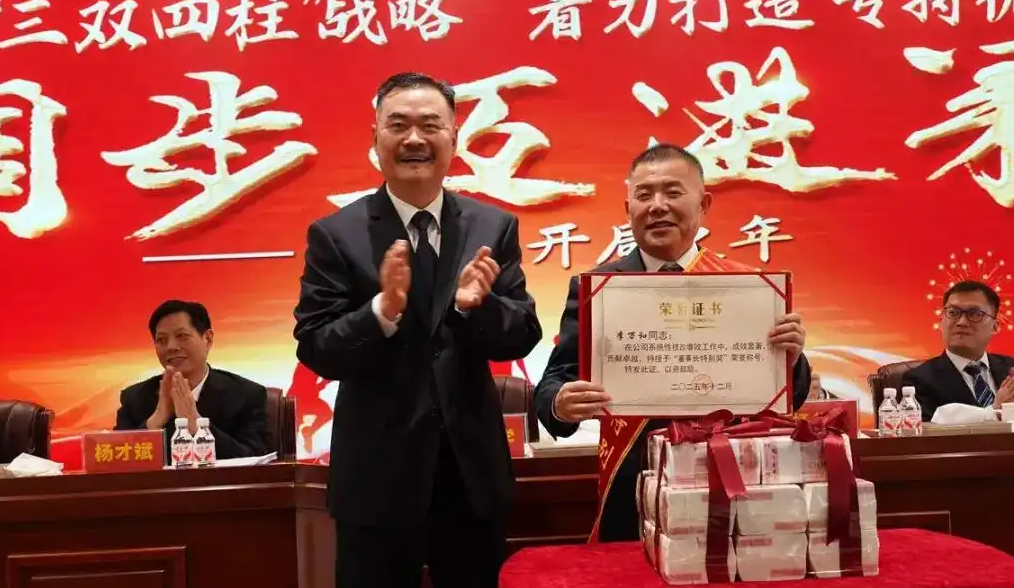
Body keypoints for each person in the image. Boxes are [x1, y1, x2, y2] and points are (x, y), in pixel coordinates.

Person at [292, 72, 541, 588]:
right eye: (398, 125)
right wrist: (380, 311)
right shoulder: (336, 235)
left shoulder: (492, 227)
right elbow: (316, 347)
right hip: (376, 480)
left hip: (471, 479)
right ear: (375, 138)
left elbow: (522, 333)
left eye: (430, 125)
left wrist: (475, 308)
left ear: (453, 137)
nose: (414, 139)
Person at [533, 143, 812, 542]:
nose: (657, 206)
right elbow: (553, 383)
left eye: (673, 192)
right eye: (644, 195)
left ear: (704, 204)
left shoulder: (747, 287)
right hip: (634, 485)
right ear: (628, 209)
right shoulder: (597, 289)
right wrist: (560, 404)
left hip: (729, 479)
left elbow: (790, 397)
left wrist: (792, 358)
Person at [115, 300, 270, 459]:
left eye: (182, 336)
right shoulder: (134, 399)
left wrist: (197, 425)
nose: (171, 347)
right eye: (161, 340)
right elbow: (114, 459)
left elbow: (256, 459)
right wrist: (154, 423)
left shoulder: (246, 396)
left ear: (207, 339)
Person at [902, 280, 1014, 422]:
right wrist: (995, 412)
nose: (962, 322)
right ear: (941, 322)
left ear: (995, 326)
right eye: (953, 313)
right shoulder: (918, 380)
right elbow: (923, 433)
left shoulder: (1011, 369)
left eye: (975, 314)